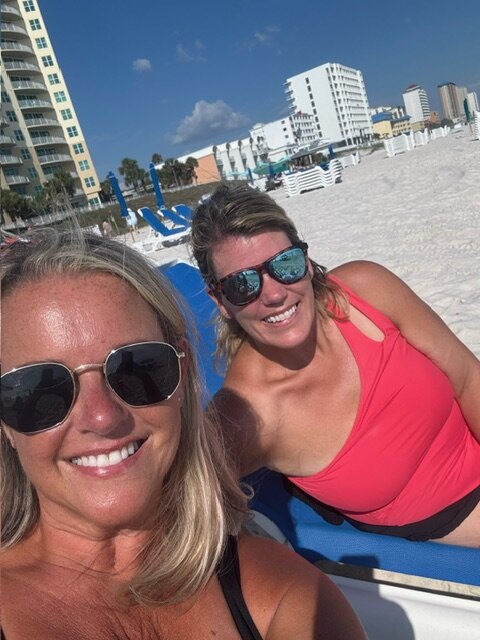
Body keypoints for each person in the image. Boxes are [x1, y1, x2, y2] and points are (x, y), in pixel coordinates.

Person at [0, 230, 365, 640]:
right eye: (40, 390)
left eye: (137, 367)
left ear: (182, 372)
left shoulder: (287, 596)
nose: (101, 417)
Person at [190, 184, 480, 547]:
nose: (275, 294)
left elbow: (467, 378)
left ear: (307, 262)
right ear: (219, 300)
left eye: (286, 264)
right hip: (459, 508)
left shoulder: (364, 292)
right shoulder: (248, 417)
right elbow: (172, 503)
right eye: (242, 284)